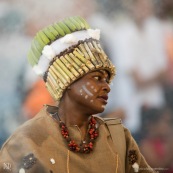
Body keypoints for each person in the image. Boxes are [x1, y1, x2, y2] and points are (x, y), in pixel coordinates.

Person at [0, 16, 155, 173]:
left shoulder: (118, 137)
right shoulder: (26, 141)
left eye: (107, 79)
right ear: (68, 82)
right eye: (96, 78)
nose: (107, 87)